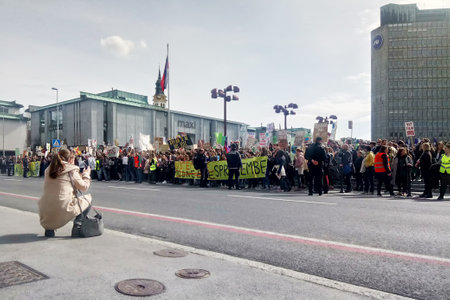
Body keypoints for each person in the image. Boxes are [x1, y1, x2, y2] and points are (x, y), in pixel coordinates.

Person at [38, 149, 92, 237]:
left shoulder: (48, 170)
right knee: (88, 199)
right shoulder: (71, 170)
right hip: (62, 208)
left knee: (53, 198)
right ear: (70, 159)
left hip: (45, 211)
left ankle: (49, 231)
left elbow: (61, 181)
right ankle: (77, 227)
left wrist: (78, 177)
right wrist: (86, 174)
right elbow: (84, 187)